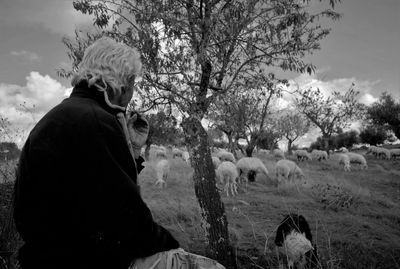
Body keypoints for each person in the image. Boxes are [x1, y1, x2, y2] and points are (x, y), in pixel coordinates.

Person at [12, 37, 179, 269]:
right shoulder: (94, 121)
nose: (131, 93)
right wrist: (174, 247)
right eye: (133, 83)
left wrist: (134, 148)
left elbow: (94, 190)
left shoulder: (64, 114)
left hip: (46, 256)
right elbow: (128, 221)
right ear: (124, 83)